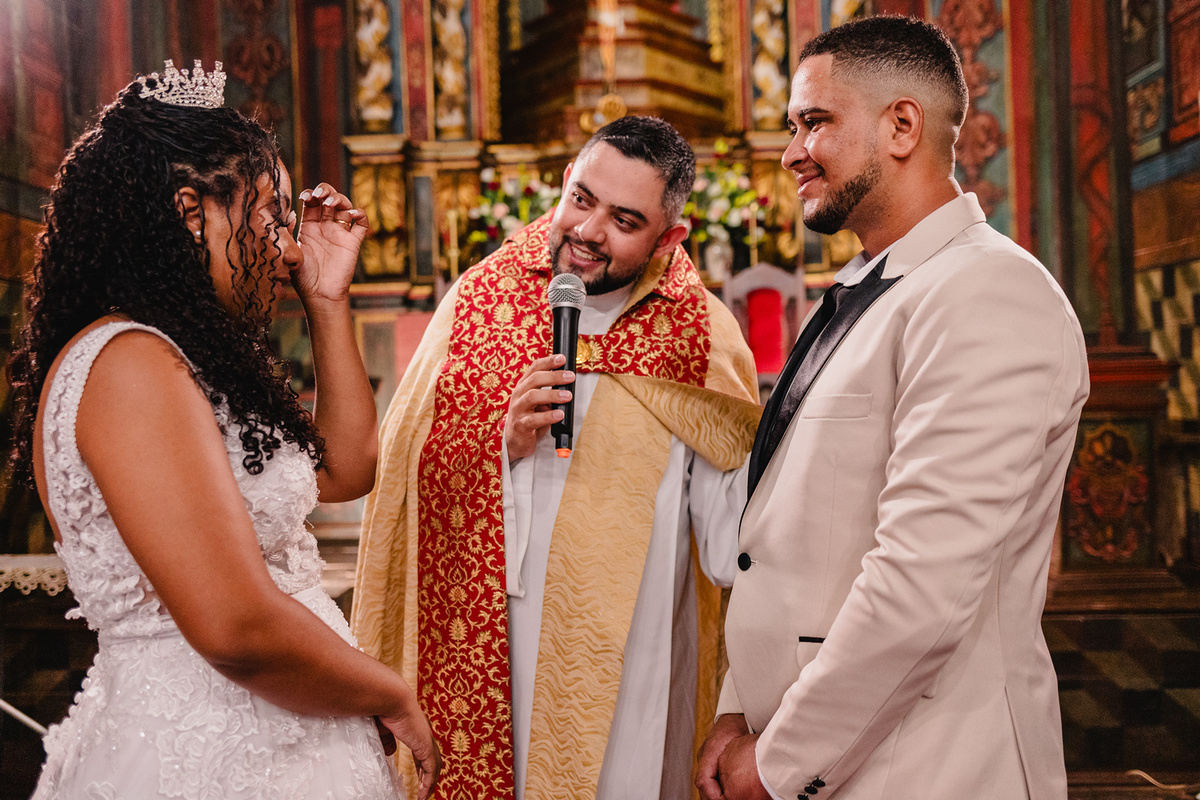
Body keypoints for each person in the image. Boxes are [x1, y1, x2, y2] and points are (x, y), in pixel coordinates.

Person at [9, 61, 440, 799]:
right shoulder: (129, 366)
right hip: (208, 755)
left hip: (273, 738)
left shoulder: (180, 358)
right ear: (189, 211)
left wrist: (327, 301)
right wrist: (388, 692)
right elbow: (235, 625)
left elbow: (340, 471)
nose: (289, 246)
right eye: (269, 217)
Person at [696, 16, 1088, 800]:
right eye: (791, 127)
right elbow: (786, 536)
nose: (791, 152)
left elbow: (925, 583)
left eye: (815, 122)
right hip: (819, 744)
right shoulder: (866, 291)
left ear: (902, 125)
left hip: (926, 762)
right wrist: (740, 707)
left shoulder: (988, 293)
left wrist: (778, 765)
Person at [352, 116, 762, 800]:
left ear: (669, 238)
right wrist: (500, 447)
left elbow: (732, 540)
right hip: (490, 640)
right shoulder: (482, 301)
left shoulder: (699, 336)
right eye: (582, 199)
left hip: (633, 654)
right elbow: (400, 469)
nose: (589, 231)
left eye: (625, 220)